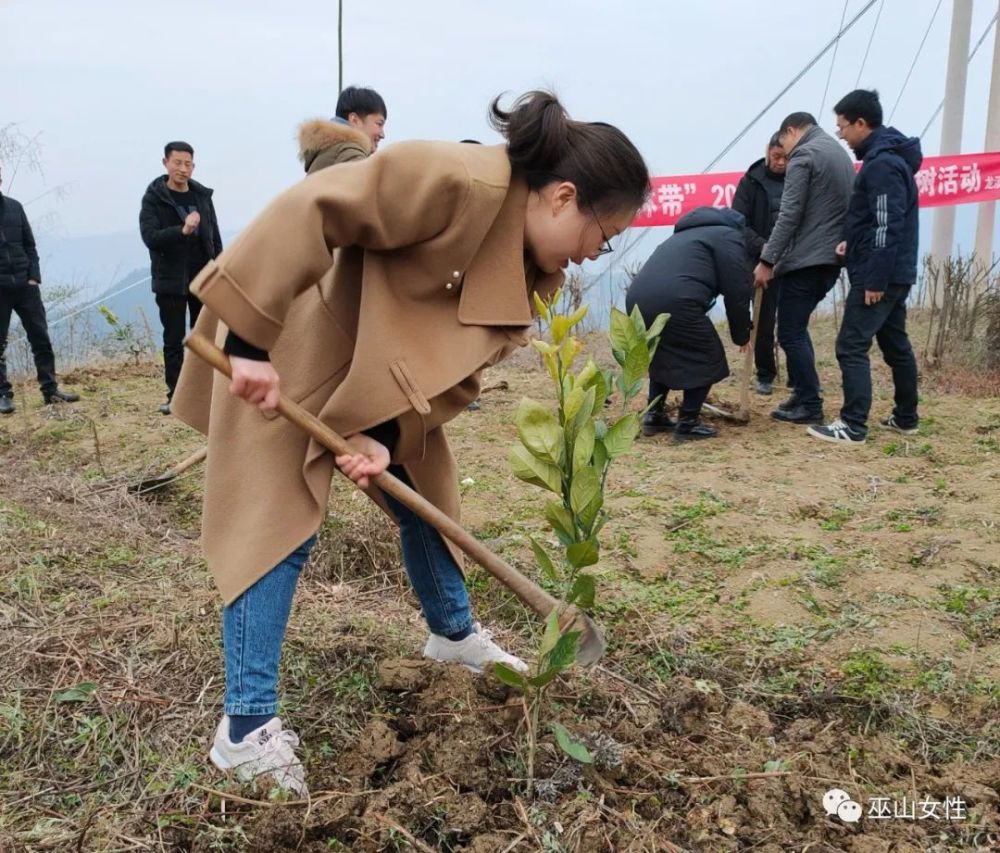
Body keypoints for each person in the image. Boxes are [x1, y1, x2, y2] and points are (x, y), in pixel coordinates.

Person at [171, 90, 649, 795]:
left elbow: (460, 375)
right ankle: (244, 728)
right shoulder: (458, 180)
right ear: (563, 198)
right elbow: (313, 208)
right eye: (600, 236)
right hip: (293, 338)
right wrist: (247, 341)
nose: (589, 255)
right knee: (274, 522)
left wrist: (385, 436)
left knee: (426, 493)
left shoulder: (530, 273)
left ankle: (452, 634)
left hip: (378, 381)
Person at [808, 89, 921, 446]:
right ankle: (906, 417)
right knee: (895, 344)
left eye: (842, 127)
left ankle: (853, 425)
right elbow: (874, 221)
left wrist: (875, 279)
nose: (841, 135)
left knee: (851, 345)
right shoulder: (885, 159)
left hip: (881, 275)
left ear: (861, 123)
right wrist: (850, 242)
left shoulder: (883, 164)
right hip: (893, 271)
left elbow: (888, 225)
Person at [752, 112, 855, 424]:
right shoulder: (837, 152)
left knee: (790, 333)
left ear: (791, 131)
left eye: (783, 145)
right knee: (797, 329)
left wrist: (767, 260)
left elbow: (789, 214)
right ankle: (803, 392)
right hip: (831, 259)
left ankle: (810, 403)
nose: (785, 154)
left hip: (807, 260)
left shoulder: (804, 155)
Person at [627, 207, 752, 441]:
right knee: (707, 355)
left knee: (662, 353)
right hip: (677, 300)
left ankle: (654, 415)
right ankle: (688, 422)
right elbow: (737, 290)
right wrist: (742, 334)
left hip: (637, 301)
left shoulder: (681, 236)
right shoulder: (728, 235)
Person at [139, 142, 223, 415]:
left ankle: (206, 393)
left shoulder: (202, 196)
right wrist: (182, 230)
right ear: (165, 163)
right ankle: (175, 396)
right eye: (177, 163)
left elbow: (213, 236)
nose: (183, 169)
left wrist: (220, 266)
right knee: (174, 339)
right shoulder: (154, 198)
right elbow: (150, 238)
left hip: (203, 278)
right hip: (170, 280)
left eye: (188, 164)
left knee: (205, 337)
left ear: (193, 166)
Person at [0, 165, 79, 414]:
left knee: (40, 338)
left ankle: (50, 389)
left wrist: (33, 277)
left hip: (26, 286)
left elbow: (29, 245)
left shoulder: (15, 207)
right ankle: (3, 395)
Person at [732, 133, 787, 395]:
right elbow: (738, 222)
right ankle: (765, 373)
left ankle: (800, 377)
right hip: (759, 262)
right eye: (776, 156)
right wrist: (764, 248)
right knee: (763, 321)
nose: (781, 162)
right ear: (768, 152)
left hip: (792, 261)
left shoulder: (798, 179)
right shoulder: (751, 182)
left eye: (786, 158)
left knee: (793, 323)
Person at [298, 85, 388, 173]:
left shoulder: (330, 151)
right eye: (379, 124)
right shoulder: (349, 152)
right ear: (354, 120)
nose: (382, 135)